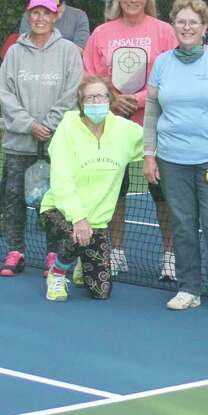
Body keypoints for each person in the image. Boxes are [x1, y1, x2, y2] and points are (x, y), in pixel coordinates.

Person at [144, 0, 208, 313]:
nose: (187, 27)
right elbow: (151, 112)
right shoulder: (161, 63)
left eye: (193, 22)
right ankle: (189, 288)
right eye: (181, 21)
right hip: (172, 160)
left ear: (204, 27)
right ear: (174, 25)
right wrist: (149, 154)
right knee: (183, 225)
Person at [82, 0, 177, 279]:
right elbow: (89, 77)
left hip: (155, 124)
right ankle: (116, 252)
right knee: (113, 190)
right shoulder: (101, 33)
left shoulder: (164, 32)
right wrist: (111, 101)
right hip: (110, 123)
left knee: (163, 192)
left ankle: (170, 257)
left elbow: (173, 77)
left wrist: (135, 101)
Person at [0, 0, 84, 276]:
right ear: (28, 15)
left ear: (55, 15)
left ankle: (52, 255)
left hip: (56, 143)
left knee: (54, 201)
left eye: (46, 13)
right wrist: (28, 124)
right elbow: (6, 94)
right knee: (13, 200)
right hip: (19, 142)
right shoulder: (15, 53)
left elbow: (72, 92)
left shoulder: (69, 51)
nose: (40, 18)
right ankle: (15, 251)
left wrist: (49, 124)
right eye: (35, 13)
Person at [41, 75, 145, 302]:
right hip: (58, 212)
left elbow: (153, 142)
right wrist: (78, 218)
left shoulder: (125, 130)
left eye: (101, 96)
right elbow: (61, 180)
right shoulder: (67, 130)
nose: (96, 101)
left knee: (101, 292)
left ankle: (82, 261)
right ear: (81, 102)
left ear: (110, 99)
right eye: (90, 97)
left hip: (97, 223)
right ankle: (57, 273)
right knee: (73, 236)